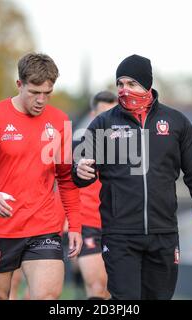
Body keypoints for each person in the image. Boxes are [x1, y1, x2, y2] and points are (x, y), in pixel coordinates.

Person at [72, 54, 192, 300]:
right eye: (120, 84)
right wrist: (79, 171)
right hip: (119, 234)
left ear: (147, 85)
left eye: (131, 84)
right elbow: (79, 169)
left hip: (163, 233)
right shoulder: (103, 123)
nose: (123, 90)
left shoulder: (176, 122)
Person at [0, 53, 82, 300]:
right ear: (19, 85)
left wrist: (75, 225)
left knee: (47, 297)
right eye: (34, 92)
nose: (41, 100)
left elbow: (66, 178)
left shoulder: (61, 121)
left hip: (43, 227)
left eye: (47, 93)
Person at [74, 91, 117, 300]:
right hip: (88, 223)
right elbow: (62, 185)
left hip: (119, 225)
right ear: (93, 115)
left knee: (113, 290)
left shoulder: (130, 148)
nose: (108, 121)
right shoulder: (77, 147)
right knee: (97, 287)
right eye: (102, 115)